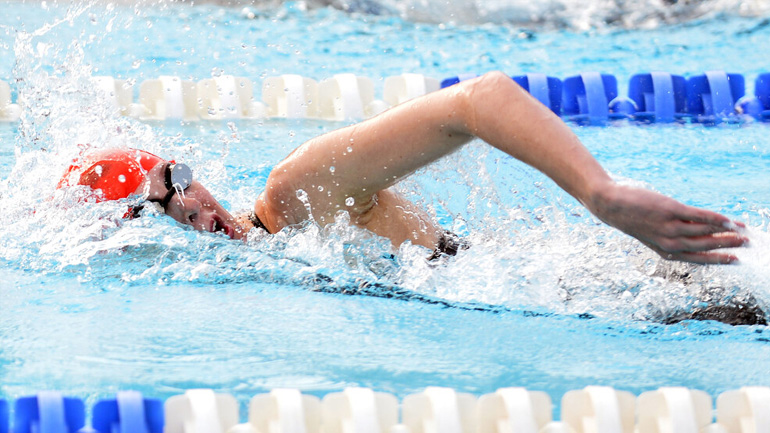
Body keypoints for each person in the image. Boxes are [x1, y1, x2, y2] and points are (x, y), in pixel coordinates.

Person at [59, 72, 748, 264]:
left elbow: (478, 99)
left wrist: (601, 193)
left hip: (625, 284)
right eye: (167, 203)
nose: (196, 204)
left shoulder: (295, 194)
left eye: (182, 177)